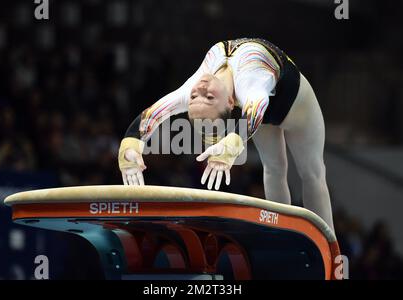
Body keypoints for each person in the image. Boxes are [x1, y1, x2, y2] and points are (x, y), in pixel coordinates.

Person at [117, 38, 334, 232]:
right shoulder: (251, 80)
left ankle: (330, 249)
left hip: (297, 107)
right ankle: (287, 236)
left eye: (195, 96)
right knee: (274, 167)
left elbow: (150, 115)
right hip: (268, 106)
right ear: (230, 102)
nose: (200, 89)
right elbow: (258, 106)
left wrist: (131, 143)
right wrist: (131, 149)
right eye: (209, 97)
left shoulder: (193, 87)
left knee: (312, 172)